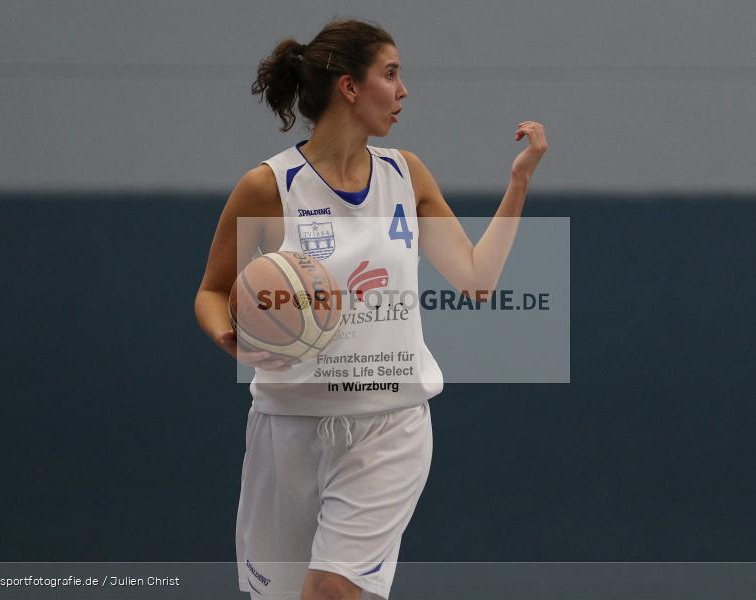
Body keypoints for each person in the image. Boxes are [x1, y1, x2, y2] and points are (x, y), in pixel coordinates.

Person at [194, 18, 546, 600]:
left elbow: (478, 279)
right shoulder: (268, 186)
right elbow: (212, 291)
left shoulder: (406, 175)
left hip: (389, 424)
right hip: (287, 426)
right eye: (391, 73)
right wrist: (229, 335)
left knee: (332, 592)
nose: (404, 90)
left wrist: (519, 184)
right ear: (349, 88)